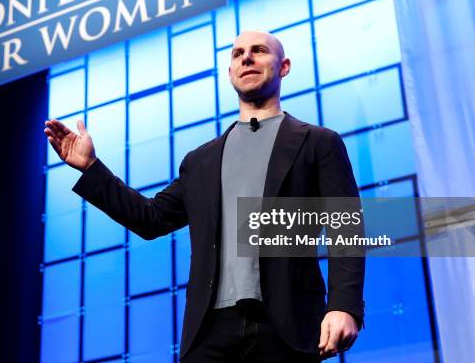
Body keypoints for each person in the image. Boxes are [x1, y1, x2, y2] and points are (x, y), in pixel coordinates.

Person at [45, 30, 365, 362]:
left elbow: (347, 228)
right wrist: (91, 167)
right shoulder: (202, 161)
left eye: (258, 51)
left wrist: (345, 306)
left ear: (283, 67)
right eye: (237, 53)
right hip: (209, 333)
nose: (246, 58)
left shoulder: (318, 143)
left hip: (285, 327)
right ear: (230, 73)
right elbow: (150, 218)